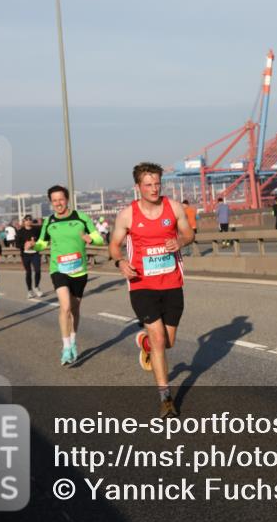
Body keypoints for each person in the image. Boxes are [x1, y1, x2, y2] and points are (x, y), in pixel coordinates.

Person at [109, 162, 195, 419]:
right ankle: (165, 398)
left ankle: (144, 342)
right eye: (148, 184)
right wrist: (120, 262)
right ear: (138, 187)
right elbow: (114, 245)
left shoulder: (174, 208)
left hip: (172, 283)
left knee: (167, 342)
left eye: (157, 183)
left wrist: (179, 241)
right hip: (141, 285)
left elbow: (189, 234)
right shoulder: (127, 215)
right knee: (159, 340)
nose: (154, 188)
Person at [32, 185, 105, 365]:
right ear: (51, 202)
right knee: (64, 307)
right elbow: (42, 243)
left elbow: (100, 239)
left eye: (61, 199)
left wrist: (91, 239)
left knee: (75, 309)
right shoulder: (49, 222)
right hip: (59, 269)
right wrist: (34, 246)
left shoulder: (81, 218)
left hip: (79, 270)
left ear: (67, 200)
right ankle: (65, 347)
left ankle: (73, 341)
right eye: (54, 200)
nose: (58, 203)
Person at [15, 215, 43, 298]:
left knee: (37, 270)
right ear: (24, 221)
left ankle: (36, 287)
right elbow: (17, 244)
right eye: (26, 220)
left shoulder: (36, 230)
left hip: (35, 253)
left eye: (30, 219)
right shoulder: (20, 231)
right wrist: (25, 245)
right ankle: (30, 291)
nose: (28, 221)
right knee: (29, 272)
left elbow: (41, 240)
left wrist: (36, 244)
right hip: (25, 255)